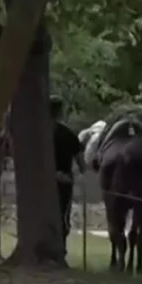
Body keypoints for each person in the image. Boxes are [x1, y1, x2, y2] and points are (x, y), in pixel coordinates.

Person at [51, 97, 85, 249]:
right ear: (60, 111)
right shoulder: (68, 134)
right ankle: (61, 247)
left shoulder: (36, 134)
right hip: (63, 181)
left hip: (38, 182)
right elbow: (81, 163)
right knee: (62, 215)